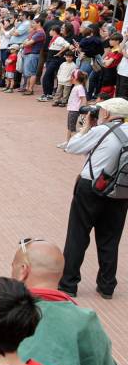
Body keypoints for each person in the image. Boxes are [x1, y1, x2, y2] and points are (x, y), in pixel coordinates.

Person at [60, 96, 128, 298]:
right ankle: (107, 286)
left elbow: (71, 146)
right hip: (120, 190)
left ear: (107, 113)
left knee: (78, 235)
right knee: (110, 238)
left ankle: (69, 283)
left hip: (91, 187)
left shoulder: (101, 131)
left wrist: (85, 127)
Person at [58, 62, 86, 147]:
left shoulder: (79, 87)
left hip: (75, 110)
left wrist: (82, 110)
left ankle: (75, 144)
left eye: (71, 76)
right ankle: (67, 142)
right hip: (72, 109)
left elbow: (83, 99)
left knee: (72, 128)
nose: (70, 78)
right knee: (70, 127)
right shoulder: (77, 87)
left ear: (75, 78)